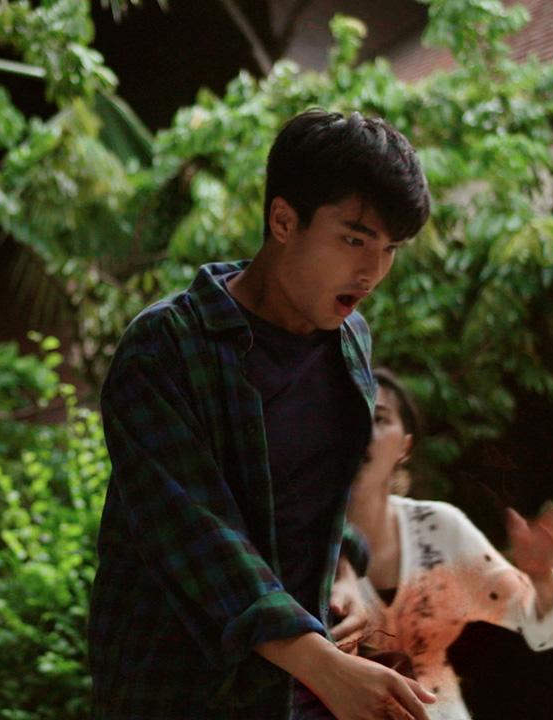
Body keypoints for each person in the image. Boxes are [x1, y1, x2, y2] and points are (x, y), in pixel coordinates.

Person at [89, 109, 435, 720]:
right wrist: (325, 667)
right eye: (354, 239)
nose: (372, 272)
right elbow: (198, 537)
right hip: (181, 688)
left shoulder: (350, 338)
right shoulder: (165, 347)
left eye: (390, 249)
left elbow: (313, 500)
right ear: (283, 220)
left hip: (302, 687)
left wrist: (344, 573)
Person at [332, 368, 553, 720]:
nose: (363, 429)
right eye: (351, 416)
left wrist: (541, 576)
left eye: (379, 418)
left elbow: (539, 624)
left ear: (405, 446)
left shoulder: (440, 529)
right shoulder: (300, 536)